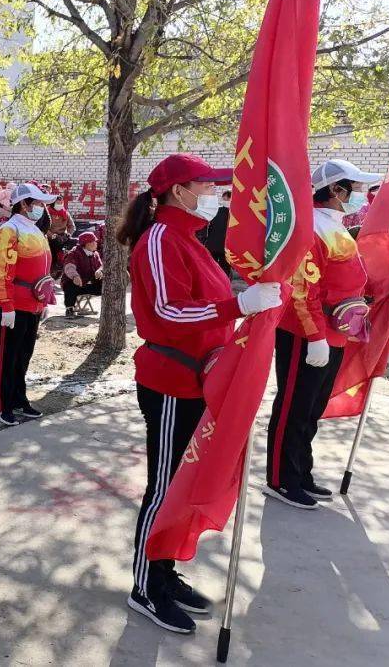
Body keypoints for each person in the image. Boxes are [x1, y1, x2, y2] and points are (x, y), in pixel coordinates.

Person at [118, 153, 282, 635]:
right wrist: (237, 304)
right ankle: (146, 585)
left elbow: (207, 306)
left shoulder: (188, 239)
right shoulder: (159, 239)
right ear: (177, 191)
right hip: (171, 384)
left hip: (199, 382)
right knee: (164, 487)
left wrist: (245, 307)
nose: (213, 195)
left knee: (183, 487)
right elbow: (169, 315)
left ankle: (165, 571)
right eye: (205, 186)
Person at [265, 159, 380, 511]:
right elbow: (302, 289)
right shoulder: (312, 227)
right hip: (306, 332)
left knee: (312, 407)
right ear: (335, 189)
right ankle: (280, 478)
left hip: (336, 331)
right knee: (294, 405)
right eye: (356, 188)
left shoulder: (336, 225)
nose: (360, 195)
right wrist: (314, 335)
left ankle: (301, 471)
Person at [0, 183, 56, 427]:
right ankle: (2, 404)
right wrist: (6, 305)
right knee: (8, 356)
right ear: (24, 204)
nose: (40, 208)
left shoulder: (35, 230)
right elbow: (2, 271)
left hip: (33, 304)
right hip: (14, 304)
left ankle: (18, 398)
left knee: (23, 355)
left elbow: (44, 268)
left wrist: (46, 299)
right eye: (37, 203)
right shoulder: (9, 230)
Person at [61, 231, 104, 318]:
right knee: (70, 285)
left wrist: (100, 271)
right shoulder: (74, 253)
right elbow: (69, 266)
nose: (96, 243)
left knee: (105, 285)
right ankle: (69, 309)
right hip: (76, 284)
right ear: (86, 244)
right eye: (93, 242)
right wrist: (75, 276)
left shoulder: (95, 254)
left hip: (89, 283)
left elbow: (101, 266)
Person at [197, 190, 231, 278]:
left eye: (225, 198)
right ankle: (224, 284)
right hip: (225, 246)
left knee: (213, 268)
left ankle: (216, 282)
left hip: (213, 245)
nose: (224, 200)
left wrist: (204, 240)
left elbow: (208, 226)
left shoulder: (216, 211)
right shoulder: (234, 214)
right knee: (224, 268)